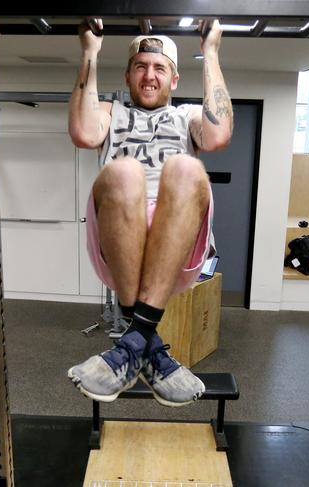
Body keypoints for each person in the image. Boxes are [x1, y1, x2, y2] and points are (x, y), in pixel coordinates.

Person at [67, 19, 233, 407]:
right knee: (123, 170)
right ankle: (150, 348)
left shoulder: (188, 116)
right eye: (141, 66)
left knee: (188, 168)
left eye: (159, 68)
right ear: (127, 75)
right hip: (117, 239)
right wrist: (90, 51)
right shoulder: (111, 113)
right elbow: (83, 133)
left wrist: (210, 52)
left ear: (174, 79)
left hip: (177, 246)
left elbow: (218, 135)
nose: (149, 75)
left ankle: (133, 346)